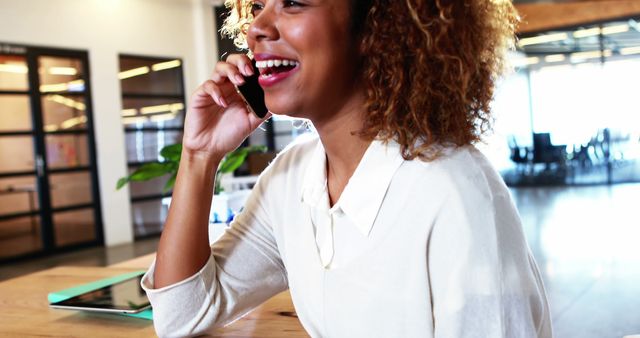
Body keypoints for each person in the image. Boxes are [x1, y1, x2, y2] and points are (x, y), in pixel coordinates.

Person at [141, 0, 553, 337]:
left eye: (293, 3)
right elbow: (181, 315)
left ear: (375, 28)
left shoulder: (456, 192)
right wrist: (199, 156)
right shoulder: (292, 179)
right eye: (258, 5)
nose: (257, 28)